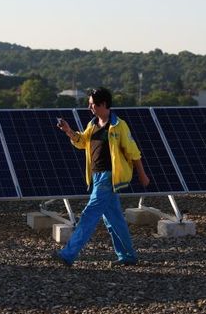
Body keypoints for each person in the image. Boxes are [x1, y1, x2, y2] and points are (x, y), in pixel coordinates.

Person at [54, 87, 150, 266]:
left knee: (88, 215)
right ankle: (128, 255)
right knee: (114, 219)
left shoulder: (119, 126)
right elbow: (82, 142)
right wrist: (68, 130)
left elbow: (133, 152)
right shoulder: (92, 124)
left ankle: (68, 254)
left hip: (109, 177)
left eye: (92, 104)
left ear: (104, 104)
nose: (89, 107)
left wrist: (142, 174)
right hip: (96, 176)